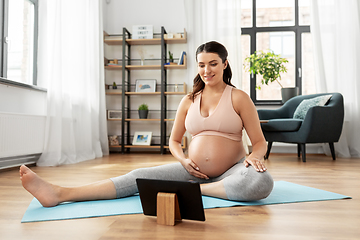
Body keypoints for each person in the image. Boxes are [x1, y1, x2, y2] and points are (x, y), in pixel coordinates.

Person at [19, 41, 273, 207]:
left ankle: (197, 191)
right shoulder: (188, 100)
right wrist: (183, 160)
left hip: (231, 170)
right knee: (137, 176)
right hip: (191, 171)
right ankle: (60, 193)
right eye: (202, 65)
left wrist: (255, 156)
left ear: (225, 64)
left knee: (261, 182)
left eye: (213, 64)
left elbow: (259, 142)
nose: (207, 70)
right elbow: (174, 141)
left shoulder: (238, 97)